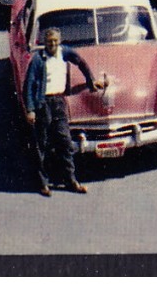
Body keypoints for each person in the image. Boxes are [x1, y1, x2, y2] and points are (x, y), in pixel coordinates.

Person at [23, 27, 105, 196]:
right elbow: (28, 86)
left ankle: (70, 180)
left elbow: (80, 61)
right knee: (41, 145)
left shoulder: (64, 52)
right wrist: (30, 110)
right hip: (43, 104)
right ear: (44, 43)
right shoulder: (38, 60)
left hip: (59, 103)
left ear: (59, 42)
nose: (52, 44)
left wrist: (91, 81)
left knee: (65, 143)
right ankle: (42, 183)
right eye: (49, 41)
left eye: (55, 41)